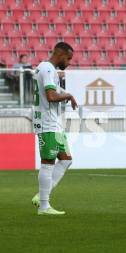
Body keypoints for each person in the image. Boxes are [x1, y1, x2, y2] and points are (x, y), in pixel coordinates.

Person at [31, 42, 77, 215]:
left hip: (54, 124)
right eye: (68, 58)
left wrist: (68, 95)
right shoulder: (48, 69)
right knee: (48, 163)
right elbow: (51, 96)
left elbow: (56, 90)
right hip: (46, 123)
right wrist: (68, 95)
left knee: (66, 159)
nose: (69, 62)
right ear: (60, 54)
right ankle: (44, 206)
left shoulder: (47, 70)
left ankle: (42, 196)